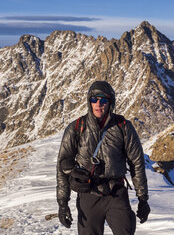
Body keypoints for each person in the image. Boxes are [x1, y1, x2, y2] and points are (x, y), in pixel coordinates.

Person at [56, 81, 150, 234]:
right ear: (89, 101)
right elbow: (63, 166)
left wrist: (143, 199)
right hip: (88, 194)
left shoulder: (123, 127)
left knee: (125, 230)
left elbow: (136, 163)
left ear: (110, 102)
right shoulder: (77, 128)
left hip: (116, 192)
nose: (98, 104)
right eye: (94, 99)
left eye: (103, 100)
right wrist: (62, 203)